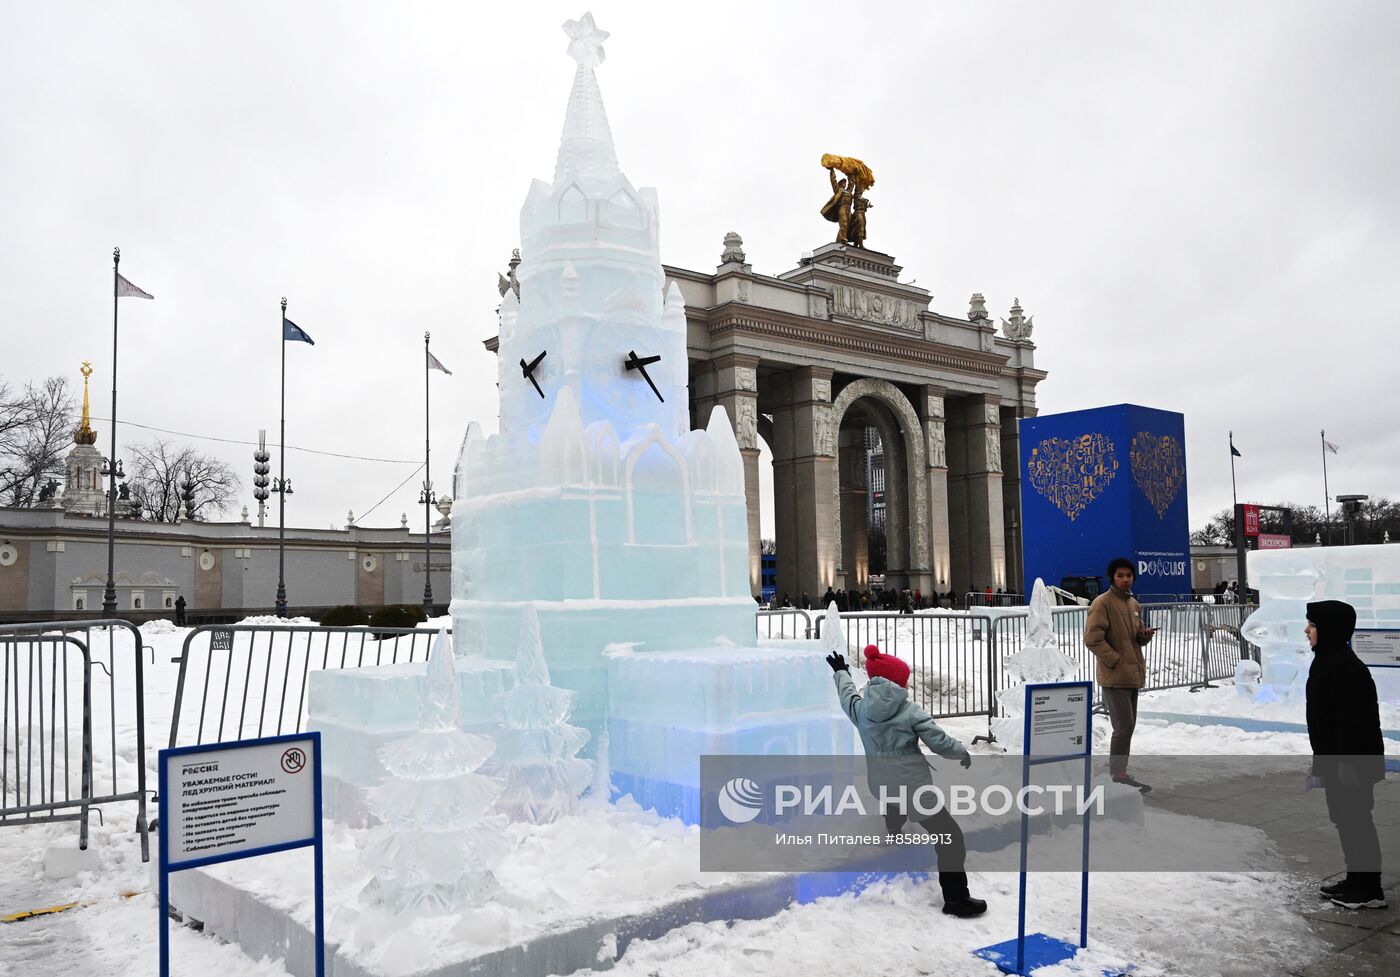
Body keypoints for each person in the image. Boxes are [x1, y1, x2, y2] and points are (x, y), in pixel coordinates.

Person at [825, 643, 986, 917]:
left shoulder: (861, 710)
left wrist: (841, 672)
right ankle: (956, 898)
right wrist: (961, 752)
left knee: (892, 797)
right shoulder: (910, 711)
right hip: (913, 789)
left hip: (882, 785)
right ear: (899, 682)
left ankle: (894, 832)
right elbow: (940, 743)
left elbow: (847, 695)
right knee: (950, 837)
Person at [1305, 600, 1387, 909]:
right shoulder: (1329, 660)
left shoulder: (1344, 667)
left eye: (1312, 625)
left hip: (1351, 762)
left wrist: (1344, 766)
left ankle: (1369, 889)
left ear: (1329, 629)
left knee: (1356, 822)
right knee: (1345, 819)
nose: (1307, 630)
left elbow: (1353, 725)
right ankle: (1357, 878)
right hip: (1338, 761)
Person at [1084, 557, 1155, 792]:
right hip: (1115, 676)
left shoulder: (1134, 604)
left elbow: (1134, 637)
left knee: (1128, 725)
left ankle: (1120, 771)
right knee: (1124, 725)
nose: (1125, 579)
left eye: (1128, 575)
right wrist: (1114, 659)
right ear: (1112, 578)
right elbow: (1092, 638)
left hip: (1132, 674)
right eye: (1120, 576)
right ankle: (1118, 774)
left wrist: (1143, 636)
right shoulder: (1102, 603)